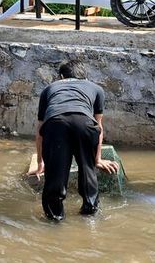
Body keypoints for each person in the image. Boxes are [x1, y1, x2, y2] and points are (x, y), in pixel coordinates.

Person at [30, 63, 119, 220]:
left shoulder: (49, 89)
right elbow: (99, 127)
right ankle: (90, 213)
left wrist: (40, 163)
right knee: (87, 169)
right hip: (84, 123)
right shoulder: (96, 89)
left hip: (55, 123)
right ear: (84, 77)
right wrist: (96, 160)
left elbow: (39, 131)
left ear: (61, 77)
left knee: (55, 176)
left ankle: (54, 218)